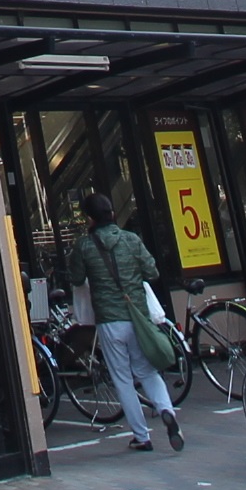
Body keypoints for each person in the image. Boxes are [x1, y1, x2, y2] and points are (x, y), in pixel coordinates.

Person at [67, 190, 181, 451]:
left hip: (109, 320)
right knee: (147, 371)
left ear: (89, 219)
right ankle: (166, 410)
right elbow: (151, 271)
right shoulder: (131, 239)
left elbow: (76, 278)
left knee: (122, 379)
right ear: (112, 213)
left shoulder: (84, 246)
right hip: (137, 316)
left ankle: (142, 437)